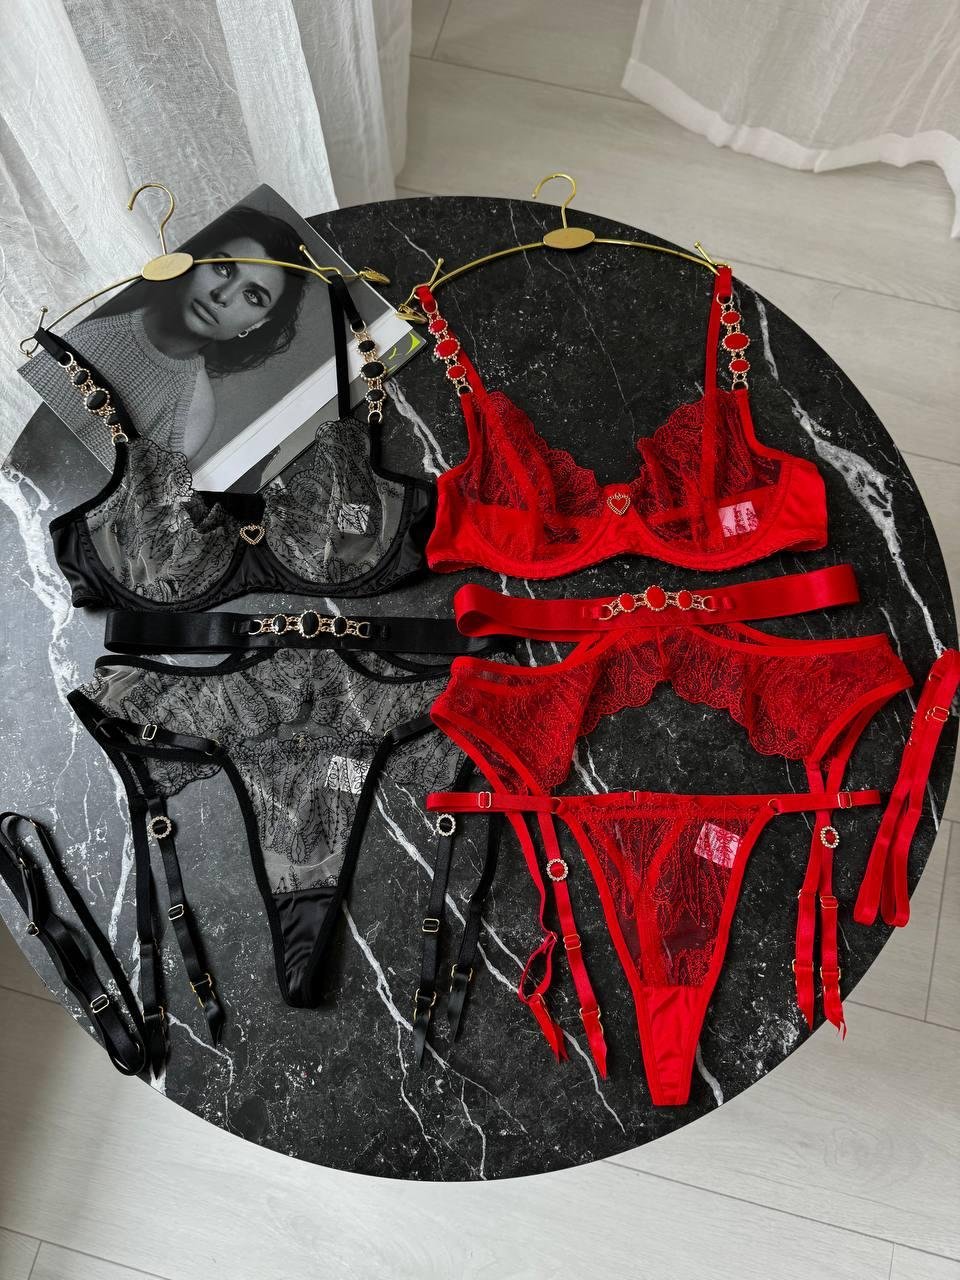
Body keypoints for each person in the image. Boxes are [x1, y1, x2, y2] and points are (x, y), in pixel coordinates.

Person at [22, 206, 308, 466]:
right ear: (194, 261)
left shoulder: (193, 414)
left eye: (253, 296)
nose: (223, 296)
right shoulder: (95, 307)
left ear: (258, 324)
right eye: (223, 268)